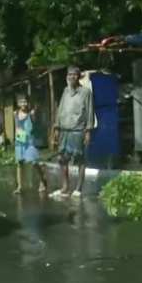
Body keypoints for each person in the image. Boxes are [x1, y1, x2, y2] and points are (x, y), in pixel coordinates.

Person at [50, 66, 94, 198]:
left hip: (78, 130)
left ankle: (78, 188)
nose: (72, 77)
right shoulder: (65, 91)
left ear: (79, 76)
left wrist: (88, 131)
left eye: (75, 75)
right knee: (62, 158)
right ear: (67, 77)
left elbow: (90, 112)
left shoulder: (86, 92)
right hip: (64, 130)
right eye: (69, 75)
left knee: (79, 159)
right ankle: (65, 186)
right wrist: (56, 127)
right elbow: (61, 109)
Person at [13, 94, 48, 194]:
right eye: (21, 102)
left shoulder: (31, 114)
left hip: (29, 142)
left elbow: (35, 123)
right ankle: (19, 186)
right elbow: (17, 126)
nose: (23, 104)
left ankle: (42, 180)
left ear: (28, 103)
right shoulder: (15, 114)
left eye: (25, 101)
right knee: (19, 163)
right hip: (19, 141)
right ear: (18, 103)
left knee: (34, 162)